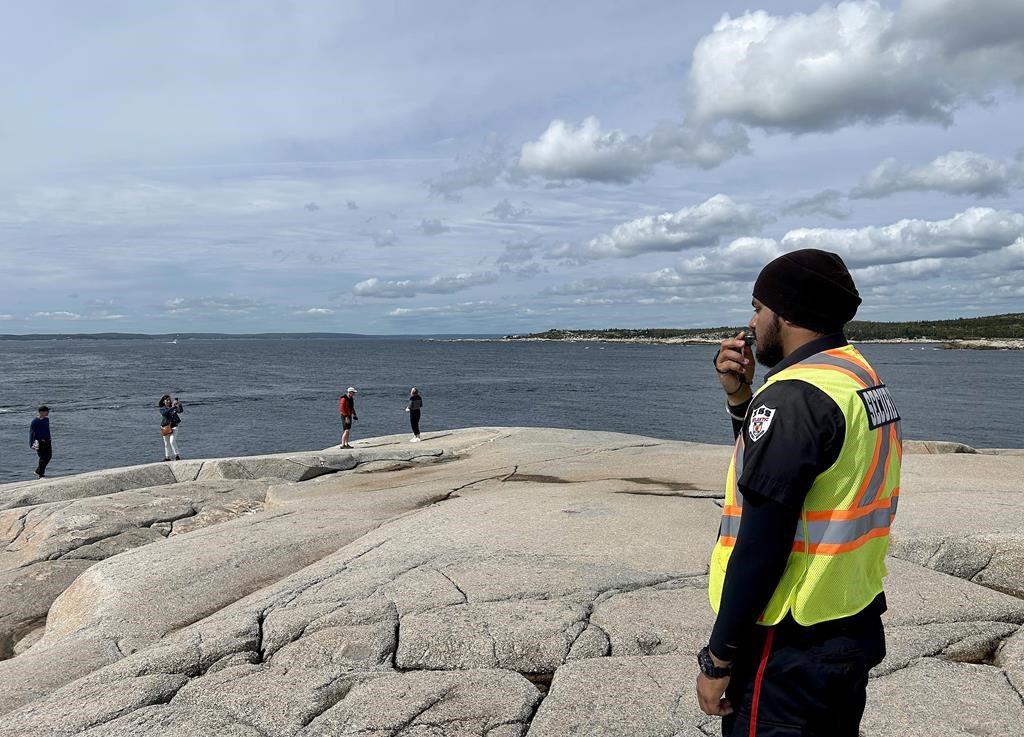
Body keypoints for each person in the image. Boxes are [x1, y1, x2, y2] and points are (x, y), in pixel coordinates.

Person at [697, 249, 902, 737]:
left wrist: (718, 658)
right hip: (848, 618)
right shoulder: (859, 378)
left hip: (788, 641)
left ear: (785, 312)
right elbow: (788, 475)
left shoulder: (793, 397)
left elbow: (760, 546)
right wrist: (740, 399)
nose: (751, 322)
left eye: (757, 308)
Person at [158, 394, 184, 461]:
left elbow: (180, 411)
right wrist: (172, 407)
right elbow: (165, 413)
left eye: (169, 400)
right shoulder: (162, 409)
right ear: (164, 401)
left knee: (172, 441)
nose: (169, 401)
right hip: (165, 427)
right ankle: (167, 457)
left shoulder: (173, 407)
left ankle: (177, 455)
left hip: (174, 426)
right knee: (166, 443)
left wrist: (179, 404)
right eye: (167, 400)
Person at [29, 405, 52, 478]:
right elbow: (31, 433)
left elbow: (48, 430)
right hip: (39, 442)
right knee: (42, 457)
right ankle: (40, 474)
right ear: (41, 412)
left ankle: (38, 471)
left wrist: (49, 438)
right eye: (46, 411)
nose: (48, 412)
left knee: (48, 456)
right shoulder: (35, 422)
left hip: (47, 441)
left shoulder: (46, 419)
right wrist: (32, 444)